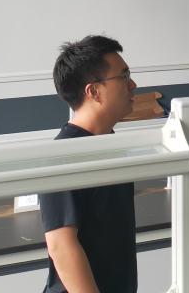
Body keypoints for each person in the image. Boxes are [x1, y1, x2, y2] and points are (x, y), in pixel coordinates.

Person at [40, 35, 139, 293]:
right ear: (93, 91)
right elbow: (61, 246)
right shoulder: (63, 155)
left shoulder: (110, 144)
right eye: (124, 77)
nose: (133, 85)